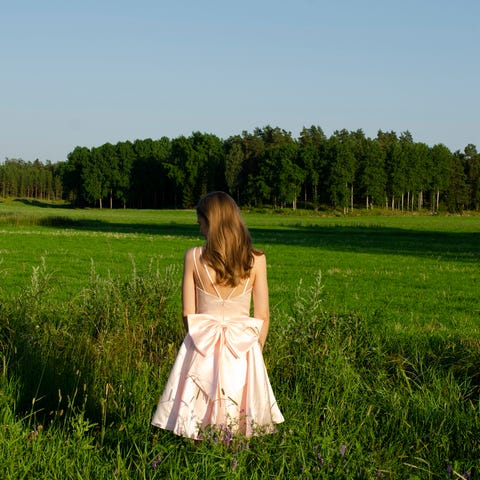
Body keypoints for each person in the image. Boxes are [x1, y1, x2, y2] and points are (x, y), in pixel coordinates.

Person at [151, 191, 284, 440]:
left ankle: (199, 453)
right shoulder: (256, 260)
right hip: (243, 348)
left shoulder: (193, 257)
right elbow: (263, 315)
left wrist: (197, 342)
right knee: (241, 415)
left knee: (196, 414)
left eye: (200, 221)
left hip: (202, 345)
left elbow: (187, 312)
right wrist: (256, 349)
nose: (199, 227)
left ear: (211, 222)